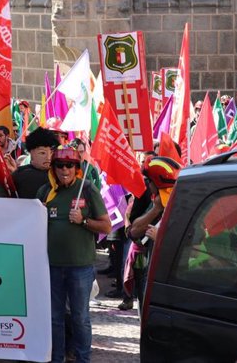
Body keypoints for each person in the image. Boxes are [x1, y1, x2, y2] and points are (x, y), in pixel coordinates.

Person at [35, 146, 112, 363]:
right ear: (54, 169)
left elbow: (106, 226)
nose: (64, 169)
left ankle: (82, 359)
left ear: (77, 168)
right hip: (52, 266)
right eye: (60, 165)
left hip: (80, 267)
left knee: (80, 317)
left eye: (69, 165)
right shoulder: (45, 192)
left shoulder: (87, 189)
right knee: (54, 318)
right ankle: (57, 358)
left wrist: (84, 221)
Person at [125, 156, 181, 316]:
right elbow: (133, 232)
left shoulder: (181, 201)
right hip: (147, 269)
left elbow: (187, 241)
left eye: (149, 181)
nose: (147, 184)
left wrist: (161, 239)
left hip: (171, 274)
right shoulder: (143, 196)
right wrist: (155, 209)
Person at [12, 127, 59, 199]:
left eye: (51, 153)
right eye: (42, 153)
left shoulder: (59, 174)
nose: (48, 158)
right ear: (31, 152)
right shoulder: (19, 174)